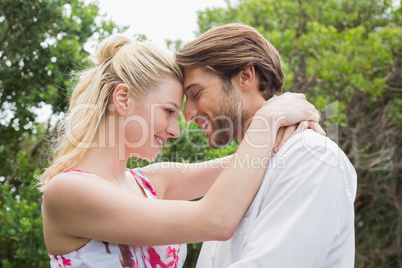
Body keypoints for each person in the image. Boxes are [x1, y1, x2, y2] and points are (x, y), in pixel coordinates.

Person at [39, 33, 320, 268]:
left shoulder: (151, 182)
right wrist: (268, 119)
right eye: (169, 111)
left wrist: (286, 118)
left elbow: (253, 159)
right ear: (123, 98)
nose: (175, 130)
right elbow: (216, 219)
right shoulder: (67, 191)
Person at [175, 23, 357, 267]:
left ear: (246, 77)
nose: (187, 114)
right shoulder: (238, 173)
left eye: (196, 93)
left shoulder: (311, 158)